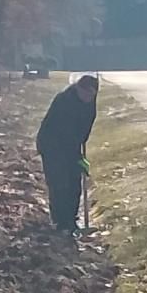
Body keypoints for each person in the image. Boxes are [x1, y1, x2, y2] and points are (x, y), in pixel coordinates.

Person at [36, 75, 99, 234]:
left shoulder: (90, 104)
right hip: (52, 144)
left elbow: (85, 127)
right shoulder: (64, 101)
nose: (88, 98)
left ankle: (71, 220)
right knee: (59, 183)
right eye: (85, 94)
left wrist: (80, 146)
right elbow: (64, 133)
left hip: (71, 145)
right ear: (78, 89)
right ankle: (61, 222)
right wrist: (77, 156)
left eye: (91, 95)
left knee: (74, 183)